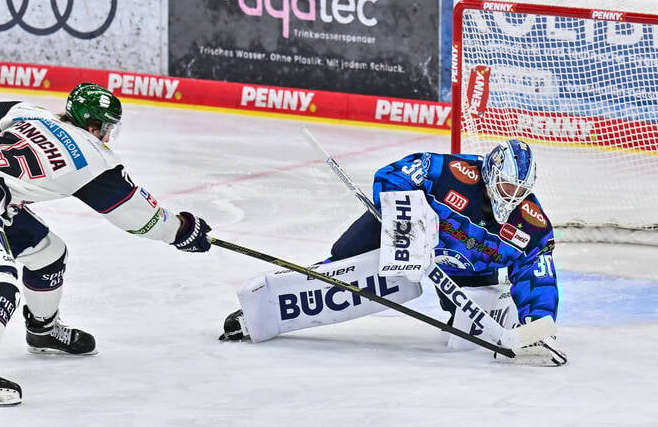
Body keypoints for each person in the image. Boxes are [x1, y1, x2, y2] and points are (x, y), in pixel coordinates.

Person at [0, 82, 214, 406]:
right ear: (94, 126)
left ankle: (43, 330)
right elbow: (140, 217)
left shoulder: (33, 115)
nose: (106, 135)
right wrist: (183, 231)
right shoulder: (94, 159)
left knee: (48, 254)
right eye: (106, 128)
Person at [220, 139, 562, 365]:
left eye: (520, 189)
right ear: (490, 173)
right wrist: (411, 227)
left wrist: (537, 323)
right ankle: (270, 306)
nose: (511, 194)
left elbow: (536, 275)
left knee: (469, 341)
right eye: (506, 185)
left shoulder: (531, 223)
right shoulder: (448, 172)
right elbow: (391, 175)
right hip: (403, 237)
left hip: (464, 269)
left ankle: (465, 313)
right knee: (344, 261)